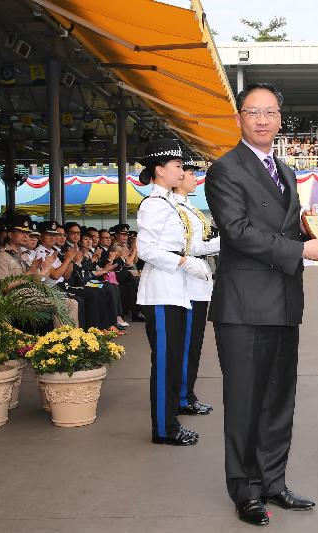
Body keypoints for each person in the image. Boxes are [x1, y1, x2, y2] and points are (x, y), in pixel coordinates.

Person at [205, 82, 318, 526]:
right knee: (244, 401)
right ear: (239, 118)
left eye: (271, 112)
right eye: (253, 112)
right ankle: (245, 490)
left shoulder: (285, 170)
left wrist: (316, 230)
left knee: (279, 399)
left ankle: (274, 482)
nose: (262, 119)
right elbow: (237, 231)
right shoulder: (224, 170)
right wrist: (300, 252)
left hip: (282, 302)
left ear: (280, 118)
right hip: (242, 308)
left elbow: (283, 230)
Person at [135, 138, 212, 448]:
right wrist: (184, 261)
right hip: (162, 291)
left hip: (176, 290)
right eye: (178, 166)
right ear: (159, 170)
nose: (182, 171)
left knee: (174, 358)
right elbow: (146, 249)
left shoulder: (167, 202)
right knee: (165, 363)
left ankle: (169, 422)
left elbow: (187, 244)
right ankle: (164, 429)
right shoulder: (153, 204)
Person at [173, 159, 220, 416]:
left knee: (194, 343)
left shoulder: (189, 206)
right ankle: (182, 396)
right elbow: (189, 248)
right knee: (187, 343)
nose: (193, 177)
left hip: (199, 283)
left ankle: (187, 393)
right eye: (190, 173)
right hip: (187, 284)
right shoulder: (175, 208)